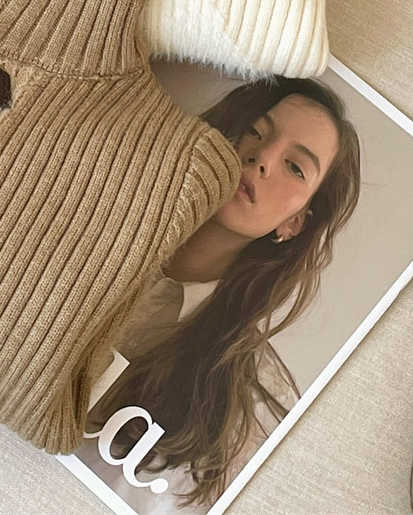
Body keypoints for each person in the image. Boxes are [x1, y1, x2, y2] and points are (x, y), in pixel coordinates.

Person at [79, 76, 362, 512]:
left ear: (294, 223)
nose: (263, 158)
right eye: (255, 131)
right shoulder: (86, 221)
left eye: (295, 167)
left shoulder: (249, 404)